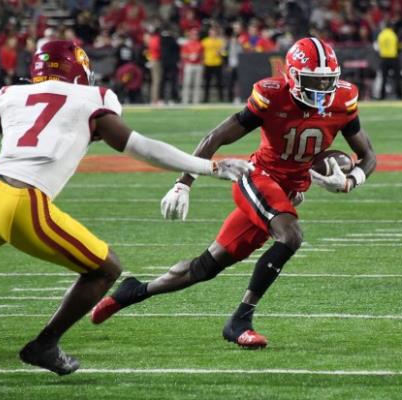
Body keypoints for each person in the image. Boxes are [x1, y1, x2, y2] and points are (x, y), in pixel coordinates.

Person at [0, 41, 253, 377]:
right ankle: (44, 345)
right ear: (79, 70)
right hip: (23, 203)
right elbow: (143, 148)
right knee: (106, 269)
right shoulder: (94, 98)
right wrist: (208, 167)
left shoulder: (13, 94)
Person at [91, 37, 377, 349]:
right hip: (258, 177)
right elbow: (216, 137)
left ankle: (134, 291)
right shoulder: (272, 95)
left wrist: (351, 181)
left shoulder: (343, 99)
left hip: (287, 190)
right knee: (290, 235)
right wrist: (183, 183)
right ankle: (240, 320)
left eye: (327, 82)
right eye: (314, 81)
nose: (322, 90)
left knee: (205, 268)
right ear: (292, 76)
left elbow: (368, 154)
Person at [375, 22, 402, 100]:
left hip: (384, 58)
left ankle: (382, 95)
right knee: (397, 78)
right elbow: (399, 46)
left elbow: (378, 47)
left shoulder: (381, 35)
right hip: (393, 58)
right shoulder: (393, 35)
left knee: (384, 78)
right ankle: (399, 95)